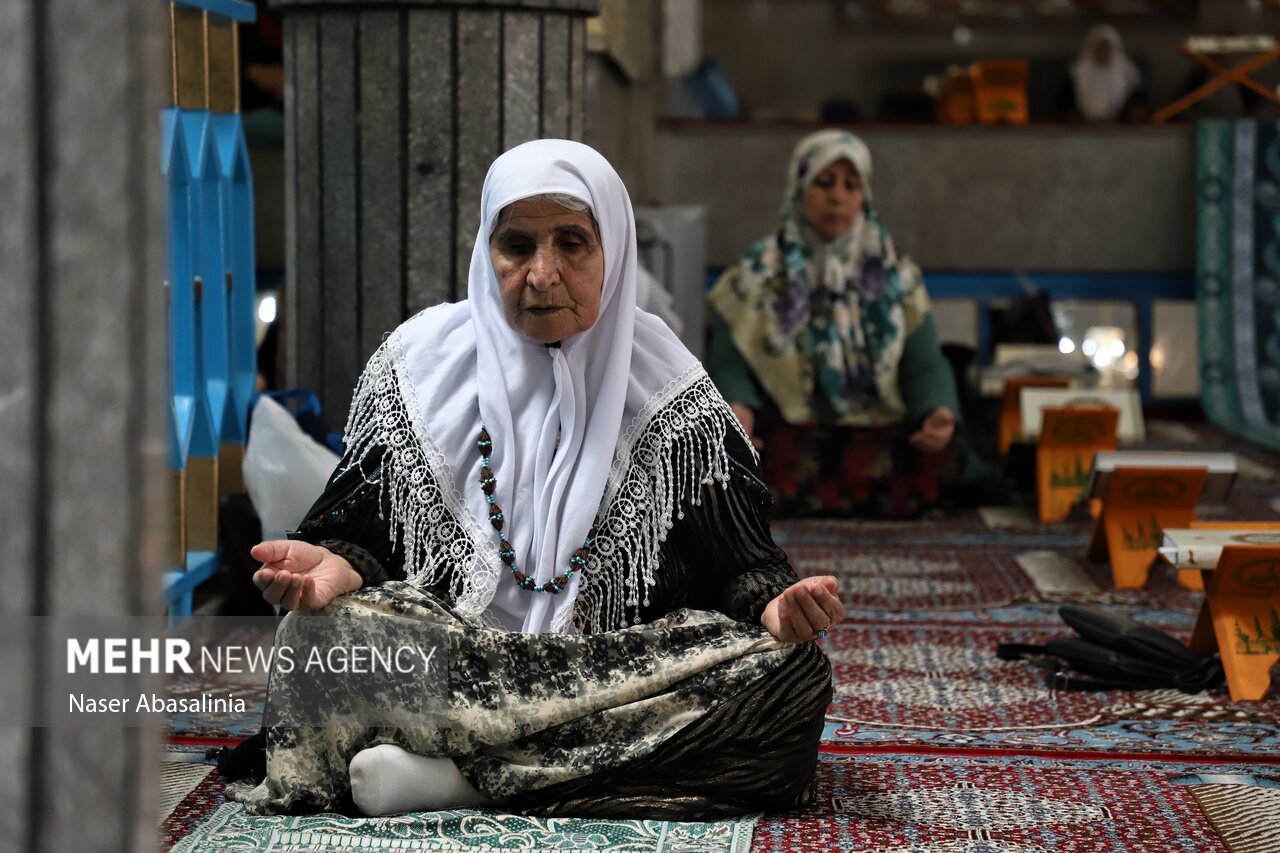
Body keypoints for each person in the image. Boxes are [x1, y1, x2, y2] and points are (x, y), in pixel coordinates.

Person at [225, 139, 840, 820]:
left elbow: (741, 563)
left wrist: (777, 608)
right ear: (487, 251)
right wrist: (335, 565)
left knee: (792, 674)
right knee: (320, 639)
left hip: (605, 675)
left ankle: (458, 781)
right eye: (517, 245)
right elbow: (362, 536)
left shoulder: (672, 395)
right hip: (458, 663)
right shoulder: (417, 371)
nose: (542, 275)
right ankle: (520, 771)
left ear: (615, 251)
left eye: (572, 243)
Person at [707, 129, 976, 518]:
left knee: (945, 454)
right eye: (824, 182)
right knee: (737, 460)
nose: (838, 197)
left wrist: (937, 411)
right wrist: (739, 410)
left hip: (880, 427)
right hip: (792, 429)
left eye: (852, 185)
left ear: (864, 195)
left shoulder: (894, 274)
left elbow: (924, 361)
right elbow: (730, 363)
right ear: (799, 188)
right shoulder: (756, 274)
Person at [1066, 24, 1143, 123]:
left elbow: (1138, 106)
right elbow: (1066, 107)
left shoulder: (1128, 74)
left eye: (1107, 47)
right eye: (1099, 47)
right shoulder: (1077, 73)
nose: (1103, 51)